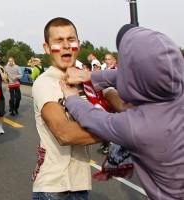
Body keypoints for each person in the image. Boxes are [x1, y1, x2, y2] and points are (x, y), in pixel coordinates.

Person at [60, 24, 184, 200]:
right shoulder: (177, 86)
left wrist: (72, 97)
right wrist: (90, 76)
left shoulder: (137, 127)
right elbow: (142, 77)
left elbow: (93, 118)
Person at [31, 17, 102, 200]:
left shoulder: (86, 81)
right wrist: (121, 130)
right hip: (54, 190)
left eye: (71, 39)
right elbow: (65, 134)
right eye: (58, 41)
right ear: (47, 48)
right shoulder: (45, 83)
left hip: (78, 187)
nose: (66, 45)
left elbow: (123, 102)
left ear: (78, 43)